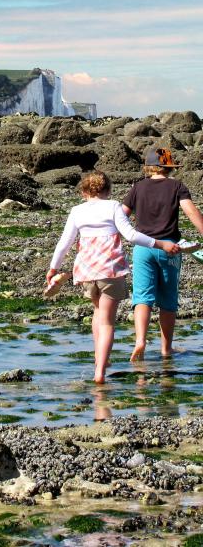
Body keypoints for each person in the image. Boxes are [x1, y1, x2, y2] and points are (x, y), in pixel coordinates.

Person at [46, 170, 179, 384]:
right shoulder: (113, 206)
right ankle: (100, 372)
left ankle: (101, 359)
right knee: (107, 321)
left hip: (86, 271)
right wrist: (162, 244)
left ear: (83, 192)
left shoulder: (77, 211)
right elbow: (131, 235)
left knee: (98, 312)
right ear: (108, 190)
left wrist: (53, 268)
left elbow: (65, 243)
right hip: (110, 270)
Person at [122, 146, 203, 362]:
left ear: (149, 167)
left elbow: (122, 216)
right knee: (168, 301)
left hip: (143, 248)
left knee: (142, 298)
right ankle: (166, 349)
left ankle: (140, 340)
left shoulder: (138, 187)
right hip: (170, 248)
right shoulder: (177, 186)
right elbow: (190, 211)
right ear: (168, 167)